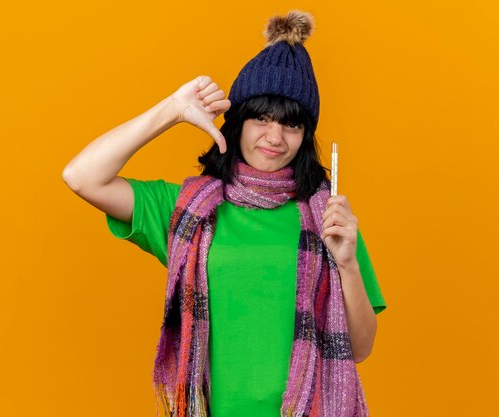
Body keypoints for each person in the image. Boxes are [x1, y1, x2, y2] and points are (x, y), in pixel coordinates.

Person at [62, 10, 386, 417]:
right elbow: (82, 176)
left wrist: (348, 264)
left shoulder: (331, 220)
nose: (274, 137)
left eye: (291, 126)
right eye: (261, 119)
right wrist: (173, 109)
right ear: (236, 124)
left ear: (305, 136)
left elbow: (359, 348)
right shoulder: (190, 213)